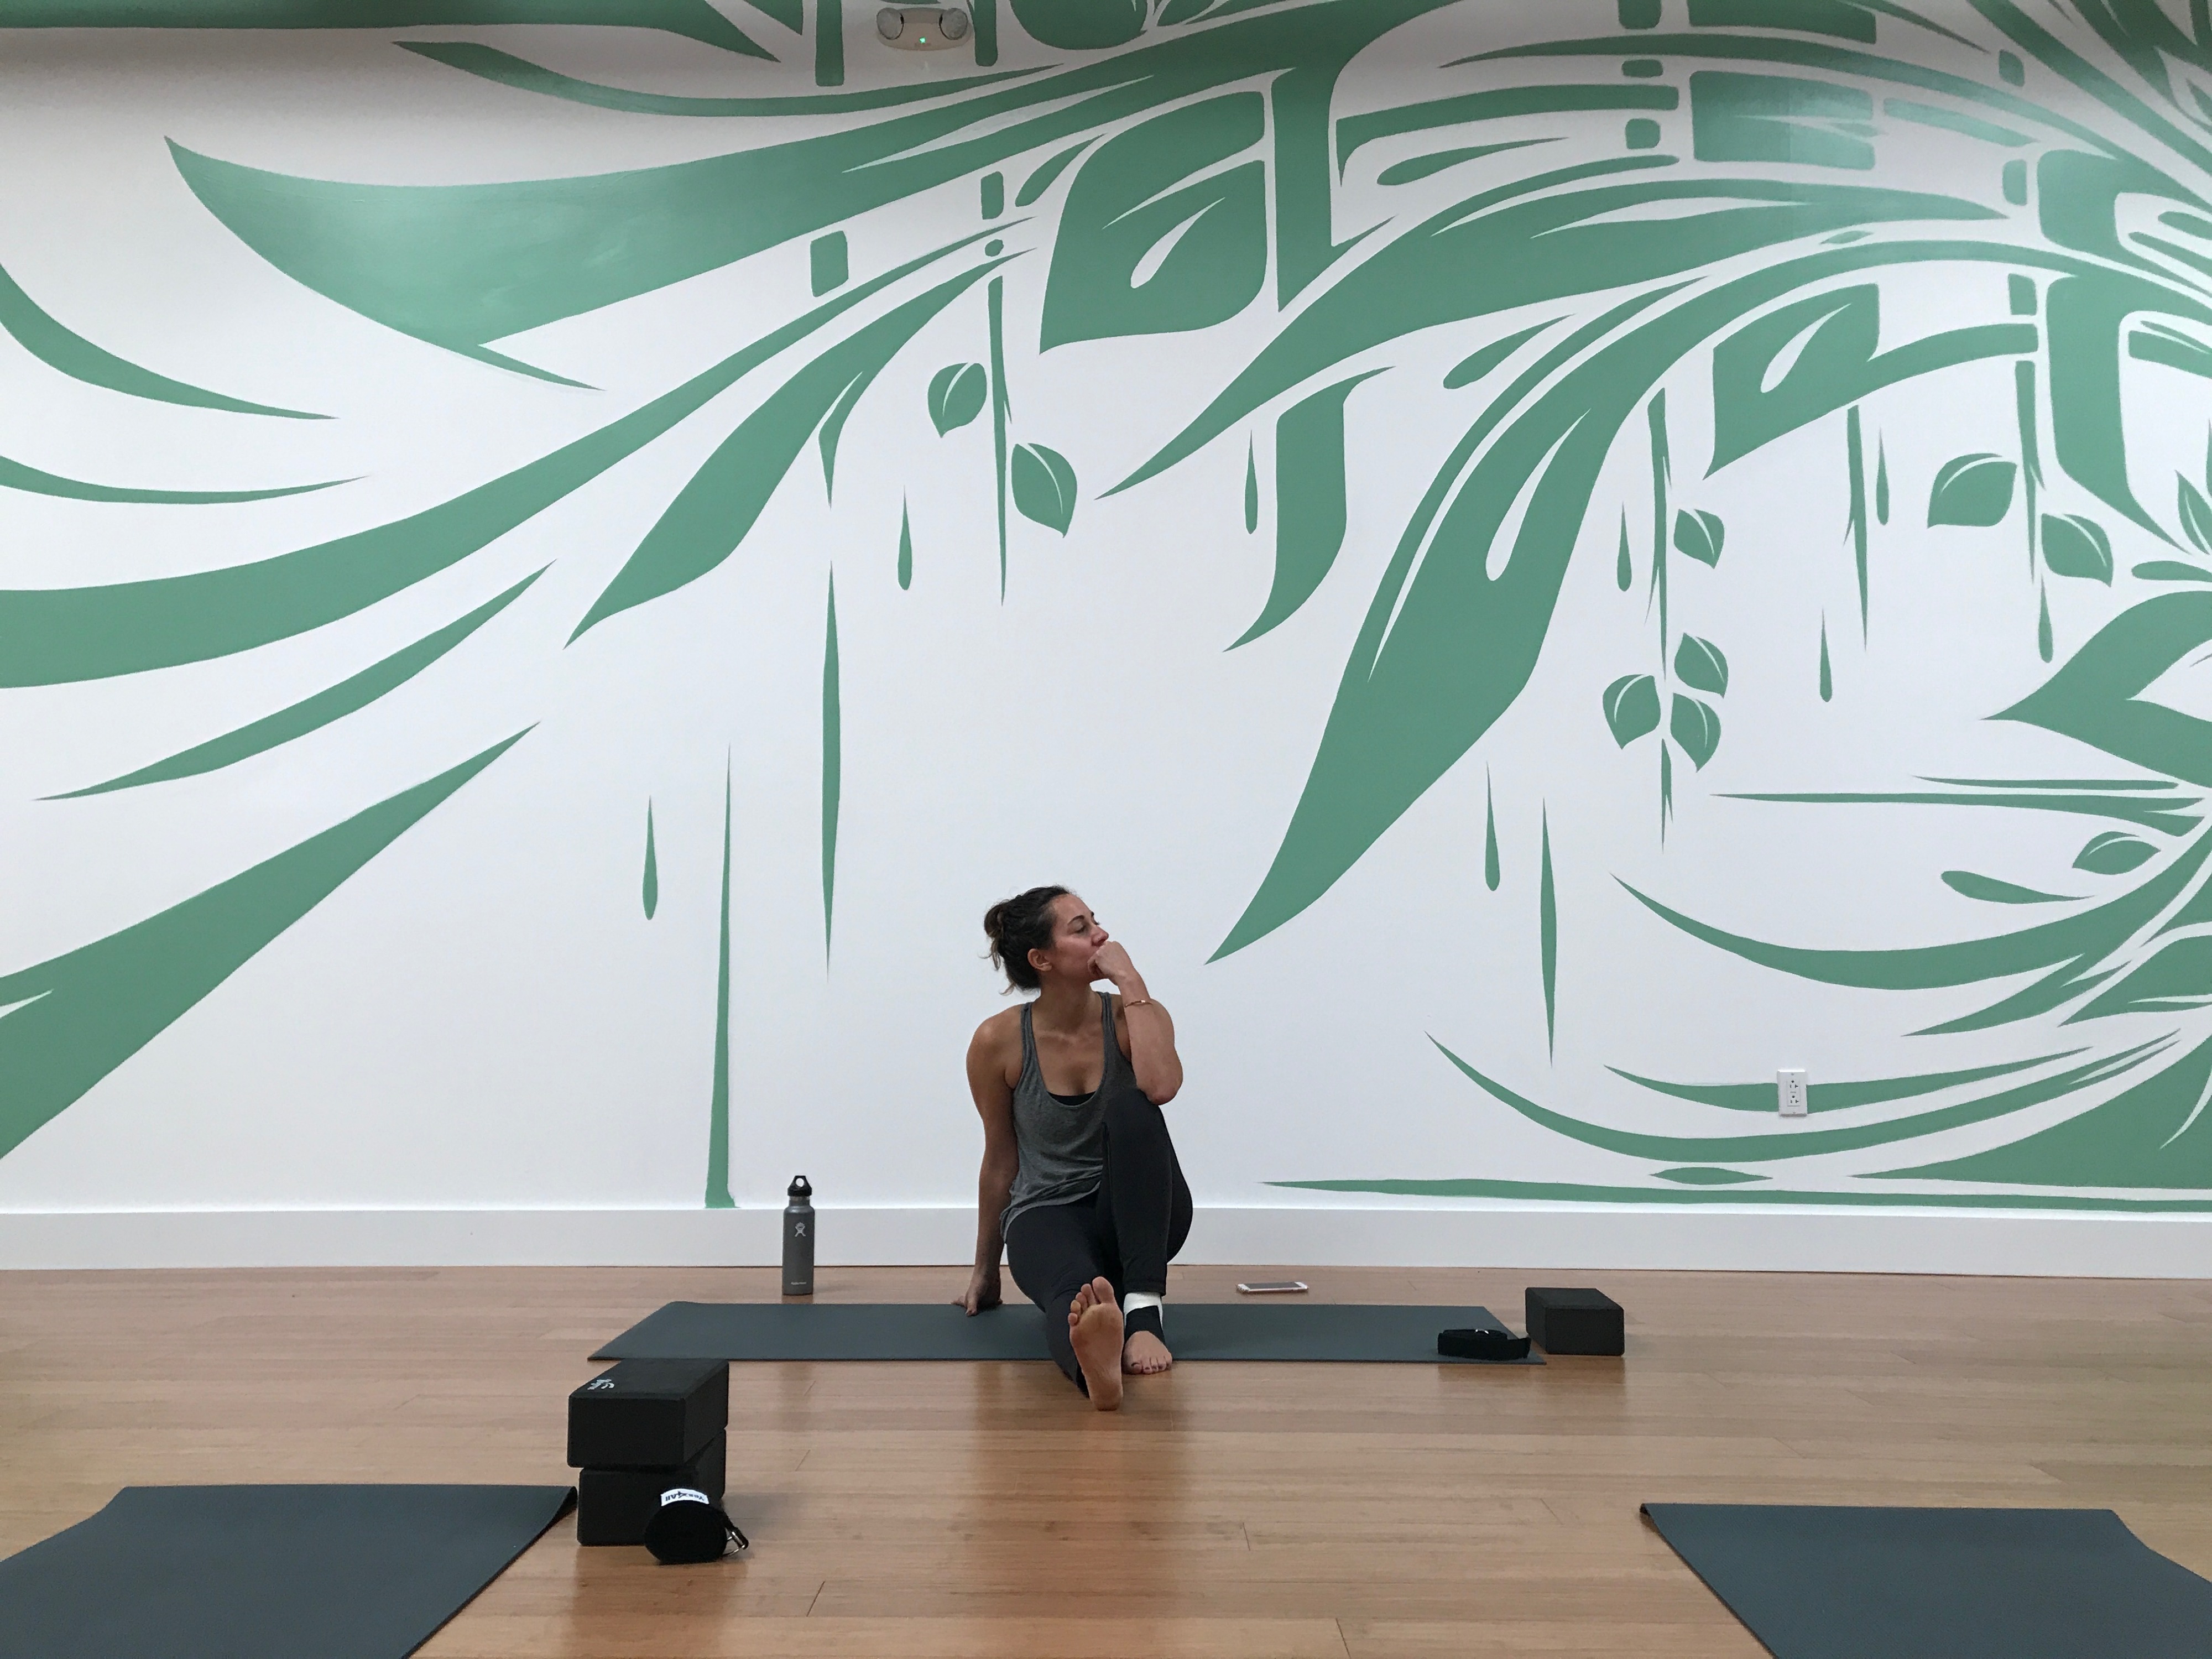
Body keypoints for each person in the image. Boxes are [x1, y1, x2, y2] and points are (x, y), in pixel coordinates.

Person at [951, 886, 1191, 1410]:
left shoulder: (1134, 1015)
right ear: (1043, 960)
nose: (1100, 935)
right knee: (1074, 1296)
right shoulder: (999, 1042)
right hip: (1047, 1212)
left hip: (1138, 1215)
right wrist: (985, 1271)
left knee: (1133, 1107)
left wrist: (1130, 981)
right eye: (1079, 929)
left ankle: (1145, 1311)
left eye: (1095, 922)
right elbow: (1000, 1159)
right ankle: (1095, 1373)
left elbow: (1162, 1088)